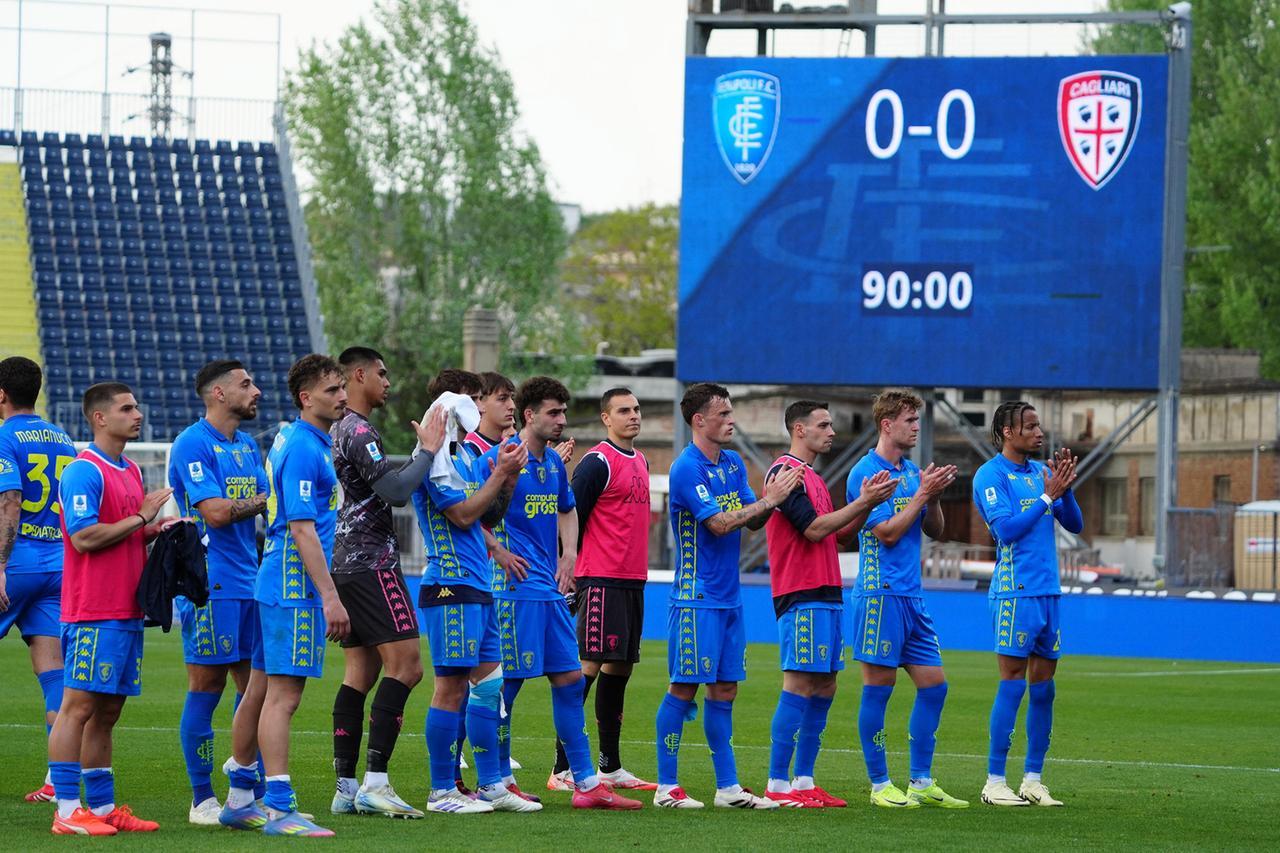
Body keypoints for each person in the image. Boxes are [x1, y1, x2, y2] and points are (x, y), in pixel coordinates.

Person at [489, 377, 640, 810]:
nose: (562, 421)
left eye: (564, 413)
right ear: (530, 414)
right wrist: (498, 551)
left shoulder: (554, 466)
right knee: (506, 687)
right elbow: (468, 513)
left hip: (550, 593)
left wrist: (570, 554)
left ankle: (586, 785)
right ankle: (498, 781)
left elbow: (568, 509)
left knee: (571, 682)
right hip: (515, 592)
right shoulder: (502, 459)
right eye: (553, 413)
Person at [653, 382, 803, 809]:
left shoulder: (734, 462)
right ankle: (667, 787)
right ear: (699, 420)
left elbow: (751, 519)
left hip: (729, 598)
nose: (731, 420)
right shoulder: (687, 468)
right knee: (683, 688)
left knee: (724, 691)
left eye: (731, 412)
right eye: (723, 414)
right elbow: (718, 524)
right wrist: (769, 500)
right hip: (695, 598)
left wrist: (774, 500)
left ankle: (728, 788)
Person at [227, 354, 351, 837]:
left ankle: (240, 796)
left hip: (276, 579)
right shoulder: (303, 446)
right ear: (306, 398)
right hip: (292, 584)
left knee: (259, 690)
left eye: (342, 388)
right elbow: (302, 529)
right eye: (331, 390)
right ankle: (279, 807)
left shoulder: (301, 439)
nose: (341, 397)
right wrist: (330, 596)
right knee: (284, 697)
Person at [48, 382, 175, 835]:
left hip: (125, 609)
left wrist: (156, 530)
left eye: (136, 406)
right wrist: (142, 517)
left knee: (107, 711)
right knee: (77, 707)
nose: (136, 414)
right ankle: (66, 811)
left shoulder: (131, 470)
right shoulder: (84, 471)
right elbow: (83, 537)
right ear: (100, 418)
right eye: (126, 408)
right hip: (91, 609)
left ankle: (101, 809)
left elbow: (123, 532)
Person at [328, 347, 445, 819]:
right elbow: (396, 492)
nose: (388, 382)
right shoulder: (358, 429)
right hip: (372, 563)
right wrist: (429, 451)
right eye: (381, 373)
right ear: (359, 375)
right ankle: (376, 782)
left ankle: (346, 785)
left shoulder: (338, 430)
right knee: (408, 667)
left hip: (346, 561)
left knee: (360, 673)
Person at [763, 400, 896, 807]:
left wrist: (867, 504)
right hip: (801, 592)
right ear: (799, 430)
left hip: (827, 591)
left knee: (826, 684)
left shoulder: (814, 478)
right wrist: (862, 502)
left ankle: (804, 781)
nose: (832, 431)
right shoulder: (785, 473)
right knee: (800, 683)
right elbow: (814, 530)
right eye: (823, 424)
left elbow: (836, 535)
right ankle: (776, 783)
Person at [845, 389, 967, 809]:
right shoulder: (866, 473)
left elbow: (935, 530)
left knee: (935, 687)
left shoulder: (914, 471)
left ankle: (920, 780)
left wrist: (931, 496)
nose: (917, 428)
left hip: (912, 598)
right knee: (879, 688)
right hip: (880, 597)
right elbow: (888, 533)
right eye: (911, 421)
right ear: (887, 425)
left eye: (918, 420)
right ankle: (880, 784)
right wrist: (919, 495)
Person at [414, 368, 527, 815]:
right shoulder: (434, 457)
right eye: (473, 398)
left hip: (477, 584)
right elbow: (463, 515)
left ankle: (492, 785)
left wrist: (508, 474)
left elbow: (490, 515)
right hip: (450, 585)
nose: (479, 407)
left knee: (488, 686)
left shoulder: (461, 456)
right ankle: (441, 790)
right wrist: (500, 474)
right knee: (449, 689)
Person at [167, 359, 269, 825]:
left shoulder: (248, 445)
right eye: (246, 384)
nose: (257, 391)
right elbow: (215, 512)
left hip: (251, 579)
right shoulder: (192, 443)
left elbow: (246, 507)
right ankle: (201, 798)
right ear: (218, 394)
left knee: (255, 691)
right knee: (206, 686)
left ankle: (248, 793)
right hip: (210, 583)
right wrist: (266, 501)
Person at [973, 401, 1081, 808]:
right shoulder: (991, 475)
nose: (1039, 432)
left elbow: (1075, 524)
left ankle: (1033, 779)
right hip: (1015, 593)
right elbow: (1006, 531)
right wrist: (1047, 499)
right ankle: (994, 781)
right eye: (1030, 426)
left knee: (1044, 690)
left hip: (1049, 592)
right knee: (1012, 683)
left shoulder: (1042, 473)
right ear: (1006, 432)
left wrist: (1063, 492)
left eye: (1039, 425)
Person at [548, 387, 655, 793]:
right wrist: (568, 568)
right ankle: (562, 768)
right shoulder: (597, 462)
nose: (633, 415)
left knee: (619, 669)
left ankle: (610, 766)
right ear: (606, 418)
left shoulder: (641, 460)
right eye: (624, 410)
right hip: (601, 580)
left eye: (637, 408)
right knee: (587, 668)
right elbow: (569, 515)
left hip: (632, 580)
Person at [0, 357, 77, 804]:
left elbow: (9, 502)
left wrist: (1, 563)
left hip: (19, 561)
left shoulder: (4, 438)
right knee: (54, 675)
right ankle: (57, 779)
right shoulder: (61, 438)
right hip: (58, 565)